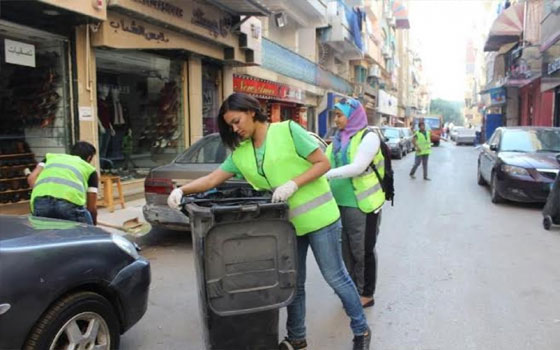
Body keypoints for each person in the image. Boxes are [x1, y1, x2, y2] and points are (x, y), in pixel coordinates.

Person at [167, 93, 371, 350]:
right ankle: (296, 337)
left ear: (252, 112)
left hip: (321, 219)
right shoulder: (241, 154)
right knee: (292, 283)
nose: (235, 128)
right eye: (230, 125)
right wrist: (182, 191)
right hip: (287, 226)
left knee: (335, 277)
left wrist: (293, 183)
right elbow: (212, 179)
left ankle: (361, 330)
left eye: (237, 120)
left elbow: (323, 163)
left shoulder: (287, 130)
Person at [324, 98, 385, 309]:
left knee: (363, 250)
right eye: (335, 115)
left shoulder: (368, 137)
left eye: (339, 115)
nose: (336, 119)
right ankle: (352, 291)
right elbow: (322, 162)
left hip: (363, 204)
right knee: (345, 252)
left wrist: (327, 175)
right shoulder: (338, 139)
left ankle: (367, 293)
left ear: (352, 116)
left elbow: (358, 167)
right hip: (338, 203)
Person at [27, 141, 98, 225]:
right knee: (82, 234)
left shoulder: (50, 158)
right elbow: (91, 208)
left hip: (41, 202)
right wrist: (93, 226)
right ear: (89, 158)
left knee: (45, 233)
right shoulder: (90, 170)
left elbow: (31, 179)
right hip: (69, 205)